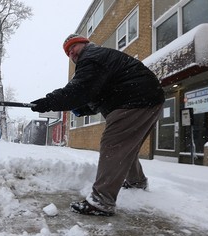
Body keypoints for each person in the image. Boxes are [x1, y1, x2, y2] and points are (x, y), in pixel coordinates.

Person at [30, 34, 165, 216]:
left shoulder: (92, 57)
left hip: (135, 100)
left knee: (113, 145)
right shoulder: (97, 60)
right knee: (125, 146)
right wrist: (82, 108)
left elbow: (79, 90)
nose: (71, 54)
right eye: (68, 53)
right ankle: (136, 181)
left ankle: (102, 201)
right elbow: (95, 94)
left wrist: (49, 101)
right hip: (147, 99)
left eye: (73, 47)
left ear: (85, 43)